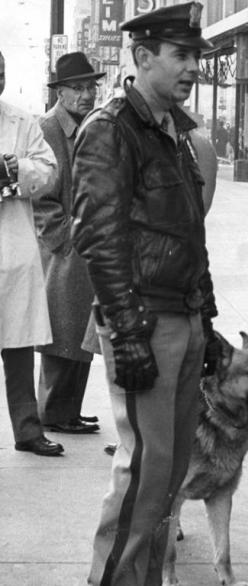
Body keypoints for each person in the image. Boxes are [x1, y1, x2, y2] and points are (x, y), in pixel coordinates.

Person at [70, 3, 220, 583]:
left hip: (181, 319)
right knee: (145, 475)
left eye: (195, 58)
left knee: (171, 475)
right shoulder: (110, 130)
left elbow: (189, 233)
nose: (192, 69)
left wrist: (204, 314)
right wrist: (126, 332)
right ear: (142, 57)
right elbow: (99, 239)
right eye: (181, 57)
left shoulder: (174, 132)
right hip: (145, 323)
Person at [34, 52, 104, 436]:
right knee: (62, 333)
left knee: (81, 333)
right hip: (65, 247)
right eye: (78, 88)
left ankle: (68, 411)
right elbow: (40, 199)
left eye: (91, 87)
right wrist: (64, 240)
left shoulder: (87, 125)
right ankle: (54, 412)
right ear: (60, 92)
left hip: (85, 245)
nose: (87, 94)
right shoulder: (49, 128)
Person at [0, 50, 62, 457]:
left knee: (18, 346)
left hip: (11, 248)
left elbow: (48, 170)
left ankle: (27, 430)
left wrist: (16, 168)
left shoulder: (23, 122)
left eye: (0, 73)